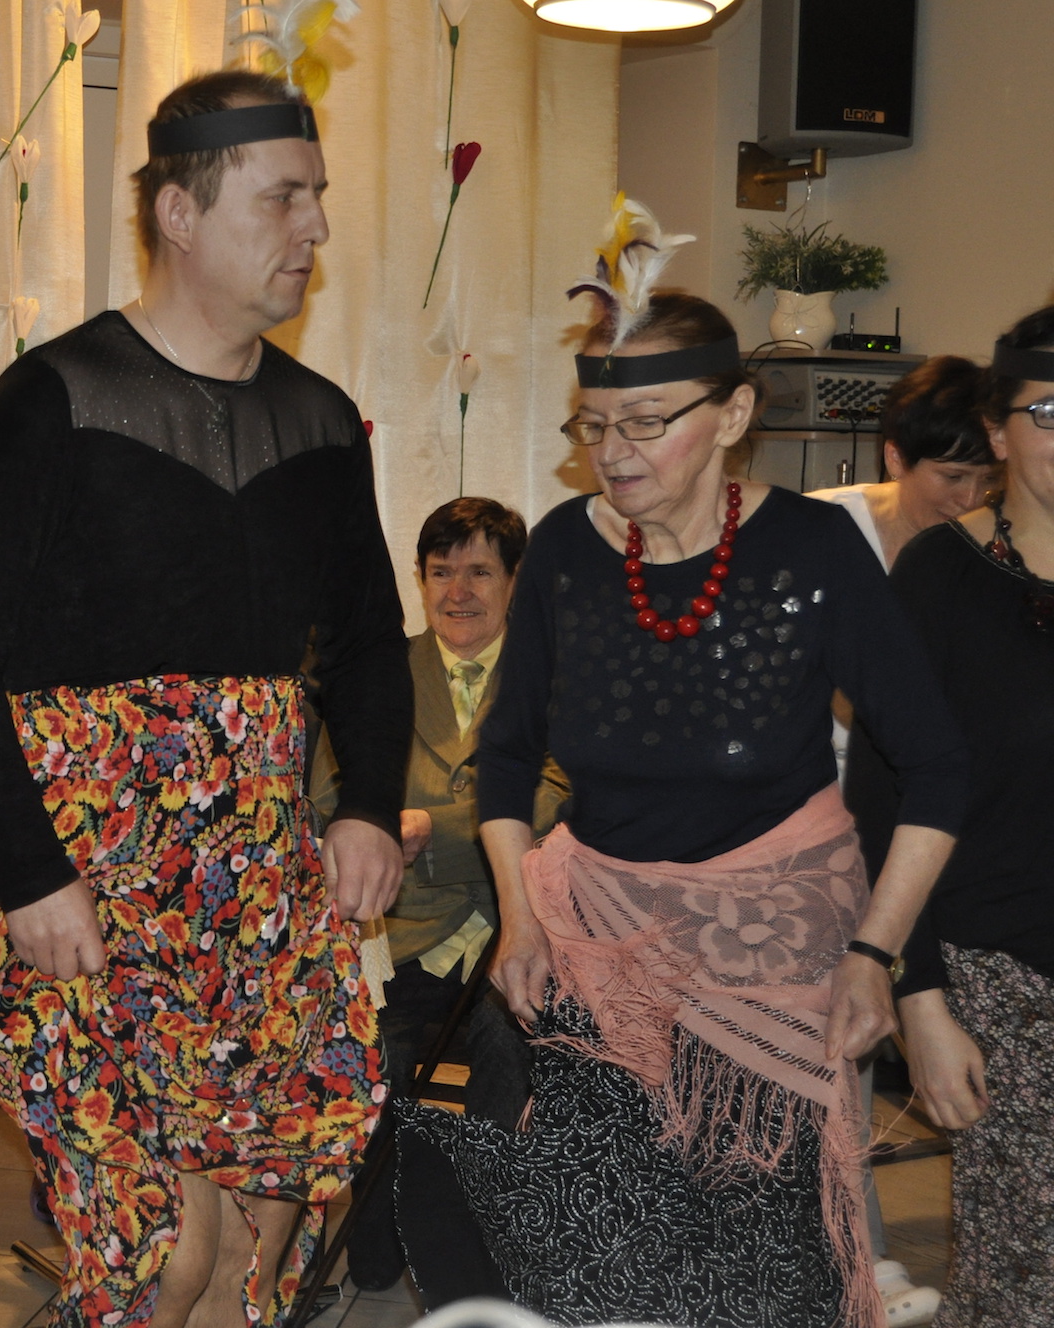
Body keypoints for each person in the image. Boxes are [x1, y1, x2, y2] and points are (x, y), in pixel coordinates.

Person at [0, 70, 413, 1328]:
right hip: (92, 896)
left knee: (253, 1254)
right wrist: (30, 874)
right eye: (281, 196)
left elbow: (366, 642)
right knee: (162, 1259)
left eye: (317, 195)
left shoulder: (318, 422)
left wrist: (366, 803)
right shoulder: (57, 397)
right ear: (178, 213)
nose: (314, 225)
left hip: (262, 902)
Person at [406, 199, 965, 1328]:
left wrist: (875, 954)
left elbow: (938, 768)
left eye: (645, 423)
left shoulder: (810, 550)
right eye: (592, 426)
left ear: (733, 413)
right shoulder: (565, 552)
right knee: (597, 1253)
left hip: (774, 965)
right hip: (594, 955)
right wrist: (520, 917)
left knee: (761, 1272)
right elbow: (506, 759)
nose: (610, 454)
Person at [847, 307, 1054, 1326]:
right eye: (1049, 410)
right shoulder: (938, 574)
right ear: (998, 430)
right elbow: (881, 794)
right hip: (1005, 981)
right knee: (1025, 1281)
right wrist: (920, 998)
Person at [310, 498, 566, 1298]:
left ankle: (481, 1250)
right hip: (398, 931)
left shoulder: (552, 670)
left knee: (511, 1047)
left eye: (480, 571)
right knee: (370, 1055)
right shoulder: (379, 672)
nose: (459, 591)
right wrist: (386, 827)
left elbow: (557, 796)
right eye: (440, 571)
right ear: (419, 581)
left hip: (511, 926)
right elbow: (328, 799)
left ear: (514, 581)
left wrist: (425, 828)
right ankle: (383, 1233)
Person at [808, 354, 995, 1326]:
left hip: (927, 812)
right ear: (893, 457)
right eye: (948, 477)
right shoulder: (822, 533)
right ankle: (861, 1259)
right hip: (816, 813)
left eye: (982, 478)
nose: (967, 498)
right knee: (839, 1028)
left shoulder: (985, 553)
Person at [810, 356, 999, 570]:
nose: (971, 500)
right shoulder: (816, 525)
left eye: (990, 479)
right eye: (953, 477)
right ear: (896, 458)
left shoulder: (997, 549)